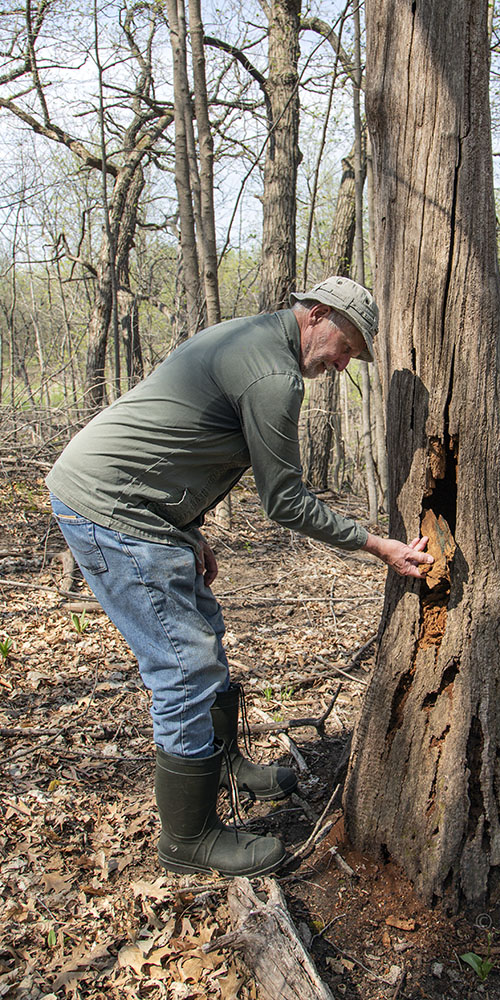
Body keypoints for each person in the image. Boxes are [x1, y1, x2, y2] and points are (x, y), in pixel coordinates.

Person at [46, 276, 433, 879]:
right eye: (347, 345)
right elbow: (284, 501)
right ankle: (188, 839)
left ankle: (222, 762)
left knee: (204, 631)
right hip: (110, 505)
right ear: (318, 315)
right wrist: (375, 544)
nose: (341, 364)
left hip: (144, 505)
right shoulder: (272, 375)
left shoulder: (253, 340)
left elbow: (185, 441)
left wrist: (191, 529)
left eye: (353, 357)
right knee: (183, 664)